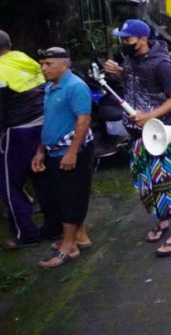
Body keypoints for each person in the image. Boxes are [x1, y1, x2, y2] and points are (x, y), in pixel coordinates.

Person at [105, 19, 171, 256]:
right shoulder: (130, 59)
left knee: (165, 182)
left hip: (158, 133)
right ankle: (161, 221)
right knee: (144, 183)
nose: (124, 43)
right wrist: (120, 73)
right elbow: (137, 85)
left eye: (128, 39)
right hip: (136, 135)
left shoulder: (161, 64)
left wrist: (150, 115)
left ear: (142, 39)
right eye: (122, 38)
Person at [31, 47, 94, 268]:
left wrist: (72, 152)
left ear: (63, 65)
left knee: (70, 198)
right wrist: (40, 150)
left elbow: (83, 121)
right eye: (42, 63)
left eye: (48, 64)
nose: (43, 68)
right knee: (65, 196)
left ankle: (68, 247)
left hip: (70, 151)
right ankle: (80, 236)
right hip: (53, 150)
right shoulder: (51, 87)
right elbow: (49, 120)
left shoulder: (75, 87)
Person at [0, 31, 49, 248]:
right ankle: (54, 227)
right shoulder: (22, 57)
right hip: (44, 124)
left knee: (10, 184)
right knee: (42, 178)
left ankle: (26, 234)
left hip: (19, 130)